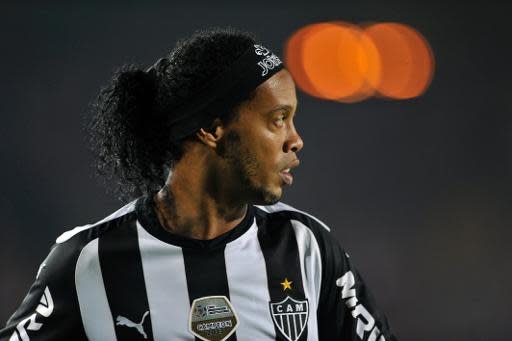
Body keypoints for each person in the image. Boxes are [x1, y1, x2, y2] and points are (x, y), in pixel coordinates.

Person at [0, 28, 397, 341]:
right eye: (278, 119)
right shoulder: (89, 262)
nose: (296, 139)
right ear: (212, 128)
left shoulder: (306, 247)